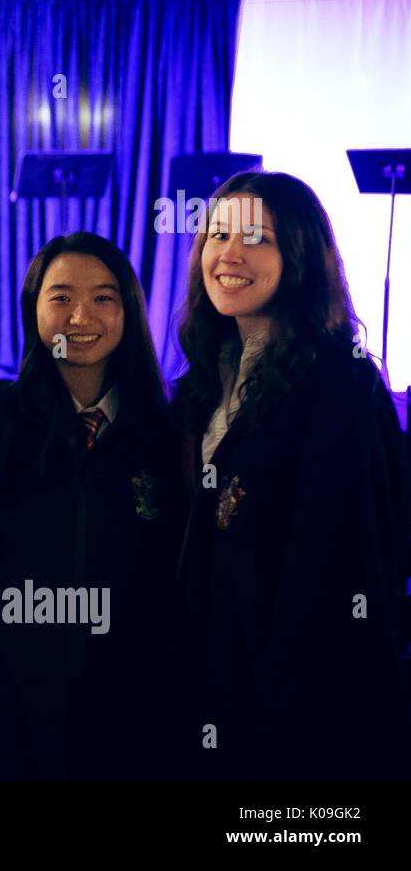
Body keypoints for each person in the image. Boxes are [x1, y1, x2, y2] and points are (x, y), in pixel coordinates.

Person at [0, 232, 185, 779]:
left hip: (129, 720)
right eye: (60, 297)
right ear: (32, 309)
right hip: (2, 719)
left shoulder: (166, 438)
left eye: (104, 297)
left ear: (129, 311)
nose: (82, 315)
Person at [172, 171, 411, 779]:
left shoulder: (342, 388)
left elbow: (359, 572)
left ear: (299, 255)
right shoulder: (201, 385)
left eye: (256, 239)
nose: (228, 254)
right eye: (217, 234)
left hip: (301, 720)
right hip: (208, 696)